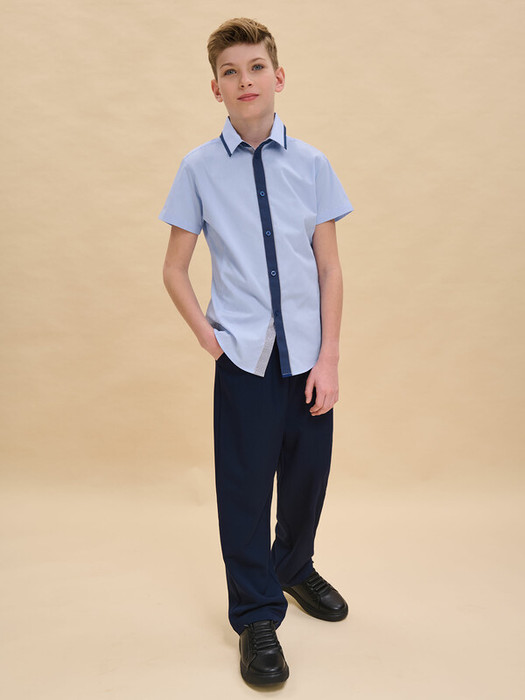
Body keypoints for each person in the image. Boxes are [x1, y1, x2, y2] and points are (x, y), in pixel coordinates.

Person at [160, 17, 354, 687]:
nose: (245, 80)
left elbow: (329, 268)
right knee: (243, 489)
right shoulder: (198, 168)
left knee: (306, 476)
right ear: (215, 88)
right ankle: (255, 614)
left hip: (308, 357)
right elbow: (174, 268)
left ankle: (293, 566)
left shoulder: (312, 165)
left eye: (255, 67)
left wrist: (329, 356)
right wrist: (208, 337)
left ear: (278, 76)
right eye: (230, 72)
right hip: (243, 357)